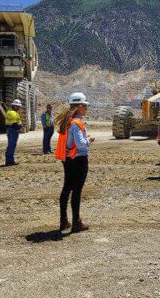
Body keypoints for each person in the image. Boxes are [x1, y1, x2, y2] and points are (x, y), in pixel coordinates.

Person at [54, 92, 94, 233]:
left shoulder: (67, 122)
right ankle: (76, 223)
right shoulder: (76, 123)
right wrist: (89, 139)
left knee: (66, 189)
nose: (86, 108)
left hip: (68, 160)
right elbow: (81, 144)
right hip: (79, 160)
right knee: (76, 191)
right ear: (78, 107)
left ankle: (64, 221)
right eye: (84, 106)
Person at [4, 99, 23, 166]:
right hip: (13, 131)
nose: (18, 107)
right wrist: (19, 127)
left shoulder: (12, 112)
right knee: (11, 146)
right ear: (14, 106)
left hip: (11, 130)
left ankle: (9, 160)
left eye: (19, 106)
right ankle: (9, 161)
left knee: (10, 146)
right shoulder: (12, 113)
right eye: (17, 106)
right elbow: (15, 124)